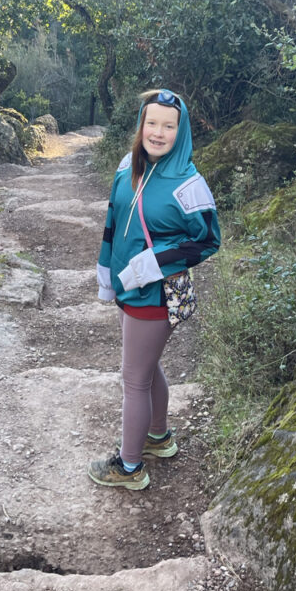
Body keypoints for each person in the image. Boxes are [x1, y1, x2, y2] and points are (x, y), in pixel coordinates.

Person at [88, 89, 221, 490]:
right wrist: (107, 272)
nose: (158, 133)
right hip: (128, 290)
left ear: (181, 132)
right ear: (141, 124)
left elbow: (207, 240)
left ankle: (129, 467)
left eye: (169, 125)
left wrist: (150, 265)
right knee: (146, 369)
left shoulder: (189, 185)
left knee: (133, 379)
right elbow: (114, 219)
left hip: (156, 296)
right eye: (152, 123)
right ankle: (157, 437)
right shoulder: (128, 166)